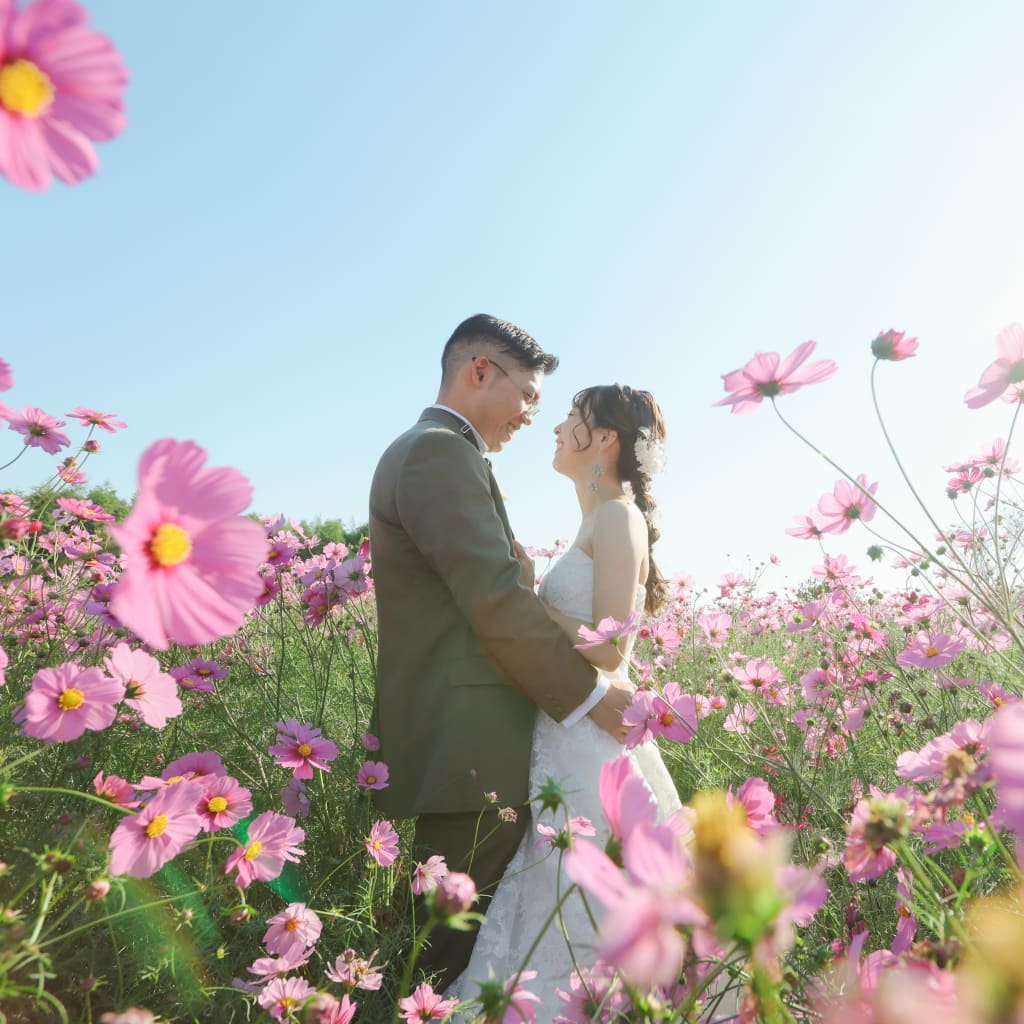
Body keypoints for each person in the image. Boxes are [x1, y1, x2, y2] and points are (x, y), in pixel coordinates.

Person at [368, 316, 635, 990]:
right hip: (470, 743)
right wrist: (596, 701)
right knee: (436, 961)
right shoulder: (439, 452)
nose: (530, 417)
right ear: (480, 371)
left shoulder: (436, 451)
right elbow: (493, 605)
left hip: (468, 740)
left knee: (439, 949)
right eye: (528, 397)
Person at [447, 384, 682, 1021]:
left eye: (571, 418)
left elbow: (608, 647)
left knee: (568, 889)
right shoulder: (599, 517)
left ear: (604, 439)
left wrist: (523, 600)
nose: (555, 427)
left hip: (590, 741)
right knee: (551, 886)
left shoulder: (616, 517)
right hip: (567, 731)